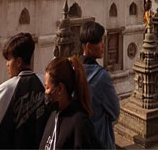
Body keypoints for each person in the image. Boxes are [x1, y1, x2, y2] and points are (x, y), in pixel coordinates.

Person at [0, 33, 51, 149]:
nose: (7, 64)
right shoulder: (44, 83)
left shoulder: (8, 88)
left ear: (18, 62)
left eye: (9, 59)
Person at [40, 56, 99, 150]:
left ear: (60, 89)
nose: (45, 92)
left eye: (47, 88)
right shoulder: (54, 115)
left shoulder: (79, 123)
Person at [79, 22, 119, 150]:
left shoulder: (72, 69)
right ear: (89, 47)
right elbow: (115, 112)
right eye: (99, 41)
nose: (103, 45)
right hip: (99, 139)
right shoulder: (101, 77)